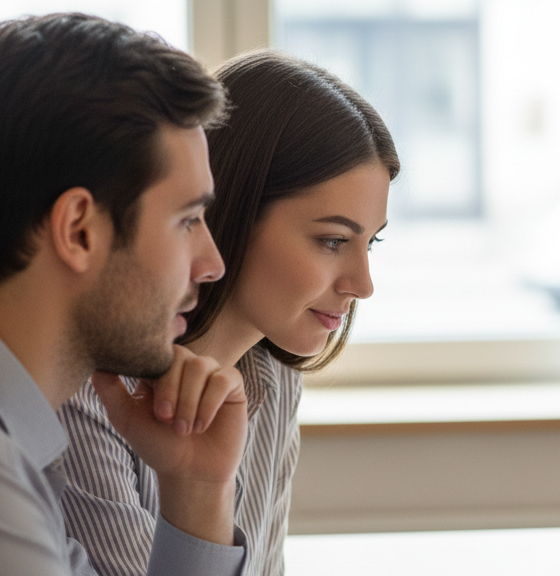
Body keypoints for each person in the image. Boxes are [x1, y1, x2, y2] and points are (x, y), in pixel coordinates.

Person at [58, 50, 399, 575]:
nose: (363, 285)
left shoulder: (274, 378)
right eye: (332, 241)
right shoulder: (89, 390)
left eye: (368, 244)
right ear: (230, 213)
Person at [0, 12, 253, 576]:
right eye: (188, 220)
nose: (212, 265)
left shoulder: (23, 461)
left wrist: (195, 490)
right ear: (79, 231)